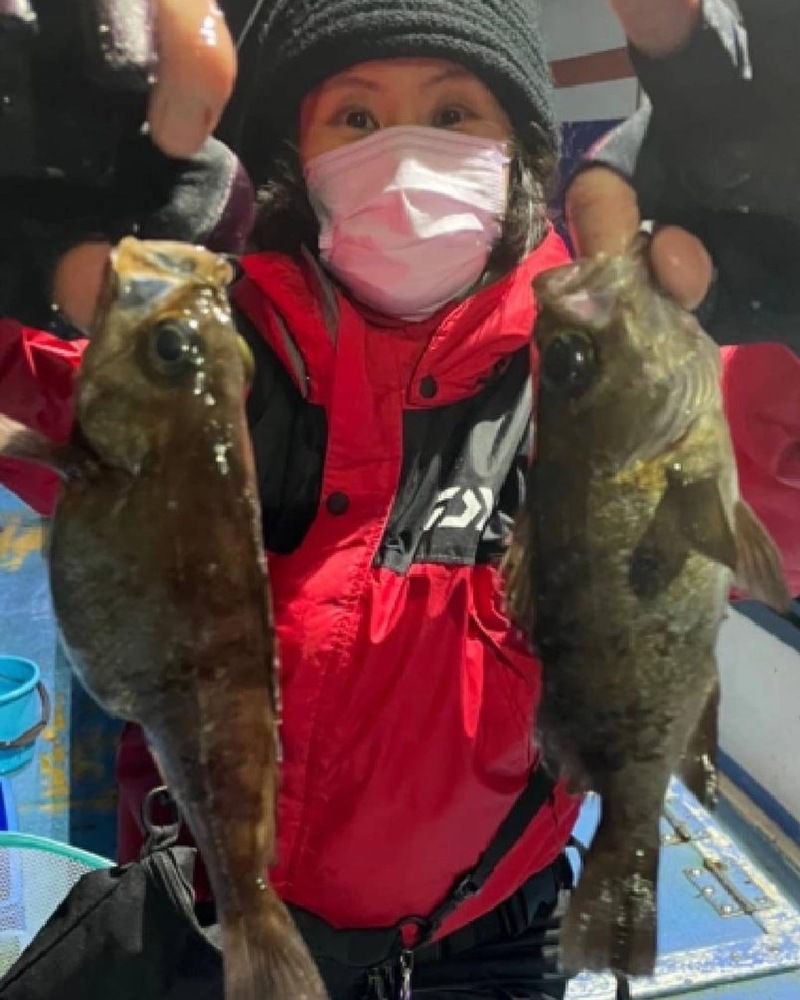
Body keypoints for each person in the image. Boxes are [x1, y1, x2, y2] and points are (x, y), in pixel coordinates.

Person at [0, 3, 796, 1000]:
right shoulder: (194, 349)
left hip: (493, 936)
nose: (408, 154)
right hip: (208, 911)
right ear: (293, 154)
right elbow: (32, 369)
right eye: (356, 118)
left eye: (455, 113)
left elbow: (773, 472)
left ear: (520, 155)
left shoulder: (605, 370)